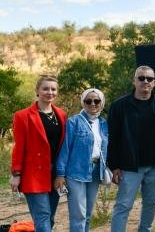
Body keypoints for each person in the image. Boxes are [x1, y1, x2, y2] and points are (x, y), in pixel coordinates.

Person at [107, 65, 155, 232]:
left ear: (154, 83)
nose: (145, 81)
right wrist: (113, 165)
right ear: (134, 81)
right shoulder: (119, 106)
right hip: (129, 166)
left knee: (151, 204)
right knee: (123, 205)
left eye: (149, 79)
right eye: (141, 78)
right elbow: (112, 138)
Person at [10, 75, 67, 232]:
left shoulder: (61, 114)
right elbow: (18, 146)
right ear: (37, 90)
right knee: (42, 215)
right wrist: (16, 174)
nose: (50, 92)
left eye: (53, 89)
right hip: (33, 173)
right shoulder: (22, 116)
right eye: (46, 88)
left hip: (56, 173)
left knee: (49, 217)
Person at [55, 88, 109, 232]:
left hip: (96, 172)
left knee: (88, 214)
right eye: (88, 101)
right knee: (78, 215)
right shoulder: (74, 122)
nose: (93, 104)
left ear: (102, 103)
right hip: (76, 171)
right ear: (83, 103)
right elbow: (65, 148)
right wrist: (60, 174)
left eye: (96, 101)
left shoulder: (104, 124)